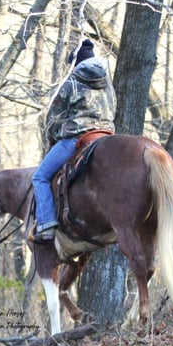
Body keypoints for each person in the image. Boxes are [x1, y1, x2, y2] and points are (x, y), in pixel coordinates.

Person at [31, 38, 117, 242]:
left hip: (77, 138)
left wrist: (53, 135)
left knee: (40, 177)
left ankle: (46, 223)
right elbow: (114, 107)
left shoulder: (72, 81)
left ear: (75, 63)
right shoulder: (107, 82)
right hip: (106, 136)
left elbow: (54, 117)